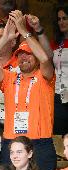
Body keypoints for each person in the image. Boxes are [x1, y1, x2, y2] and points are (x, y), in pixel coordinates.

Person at [0, 10, 56, 170]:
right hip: (12, 142)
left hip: (39, 143)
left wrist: (24, 31)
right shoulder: (9, 77)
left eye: (29, 54)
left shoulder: (45, 77)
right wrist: (5, 39)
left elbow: (45, 59)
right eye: (20, 54)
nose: (24, 57)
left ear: (36, 57)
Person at [50, 6, 68, 135]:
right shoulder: (56, 43)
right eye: (59, 19)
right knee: (59, 135)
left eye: (65, 18)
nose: (61, 22)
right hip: (59, 95)